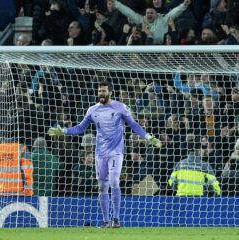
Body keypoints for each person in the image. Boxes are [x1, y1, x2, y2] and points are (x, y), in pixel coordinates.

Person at [48, 80, 162, 228]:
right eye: (99, 91)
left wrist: (148, 137)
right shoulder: (92, 110)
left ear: (110, 92)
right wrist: (64, 131)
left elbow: (133, 124)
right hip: (100, 154)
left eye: (104, 91)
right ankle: (105, 221)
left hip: (116, 152)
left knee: (114, 181)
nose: (101, 94)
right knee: (102, 187)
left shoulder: (120, 107)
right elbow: (81, 128)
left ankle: (116, 219)